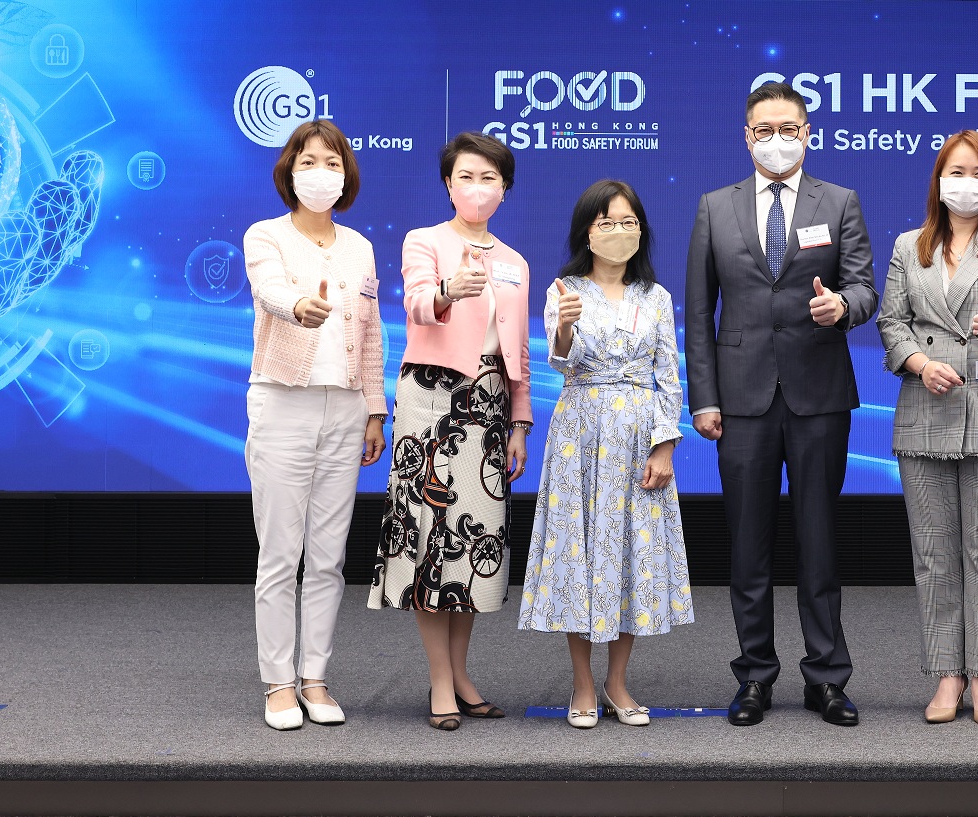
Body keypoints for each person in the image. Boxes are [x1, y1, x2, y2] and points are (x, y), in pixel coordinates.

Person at [685, 81, 878, 727]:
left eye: (788, 128)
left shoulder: (841, 201)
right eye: (764, 129)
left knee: (820, 541)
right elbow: (697, 314)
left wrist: (842, 307)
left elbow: (865, 289)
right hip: (739, 400)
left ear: (807, 132)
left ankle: (827, 677)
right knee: (749, 547)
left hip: (819, 394)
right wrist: (704, 398)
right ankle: (755, 677)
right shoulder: (716, 206)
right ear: (747, 135)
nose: (776, 139)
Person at [875, 130, 978, 728]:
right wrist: (919, 363)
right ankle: (947, 674)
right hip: (924, 416)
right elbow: (892, 323)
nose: (965, 182)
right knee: (934, 555)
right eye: (955, 171)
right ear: (938, 181)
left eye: (977, 172)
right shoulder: (907, 245)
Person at [369, 132, 533, 732]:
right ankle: (440, 681)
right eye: (466, 176)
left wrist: (519, 422)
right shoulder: (425, 241)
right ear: (448, 183)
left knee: (471, 547)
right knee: (431, 545)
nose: (476, 188)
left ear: (504, 191)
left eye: (489, 179)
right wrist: (446, 292)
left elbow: (516, 351)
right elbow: (414, 305)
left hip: (488, 408)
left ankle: (462, 674)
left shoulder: (514, 263)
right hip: (429, 403)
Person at [518, 180, 693, 729]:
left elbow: (669, 375)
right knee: (580, 553)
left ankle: (618, 682)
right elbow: (562, 362)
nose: (618, 232)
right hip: (580, 435)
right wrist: (566, 326)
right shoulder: (564, 289)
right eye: (606, 222)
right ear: (586, 232)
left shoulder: (657, 297)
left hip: (641, 436)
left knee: (631, 556)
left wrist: (665, 447)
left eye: (627, 222)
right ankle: (583, 685)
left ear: (641, 230)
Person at [240, 119, 386, 731]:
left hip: (346, 407)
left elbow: (373, 331)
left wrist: (375, 408)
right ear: (289, 170)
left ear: (345, 173)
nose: (319, 172)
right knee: (281, 553)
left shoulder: (358, 246)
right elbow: (270, 291)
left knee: (328, 557)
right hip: (282, 403)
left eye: (331, 161)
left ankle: (315, 677)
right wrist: (301, 306)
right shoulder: (264, 235)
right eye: (307, 160)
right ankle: (278, 683)